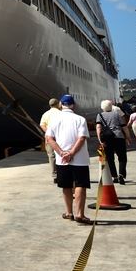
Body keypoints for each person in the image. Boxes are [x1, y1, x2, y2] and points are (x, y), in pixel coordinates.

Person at [45, 94, 92, 224]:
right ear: (73, 105)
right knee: (80, 185)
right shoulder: (80, 119)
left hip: (61, 160)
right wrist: (71, 153)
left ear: (61, 104)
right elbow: (82, 138)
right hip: (80, 159)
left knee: (66, 186)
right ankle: (80, 214)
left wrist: (61, 153)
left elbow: (49, 139)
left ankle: (69, 213)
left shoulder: (54, 120)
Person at [96, 99, 129, 184]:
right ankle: (121, 174)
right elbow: (124, 126)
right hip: (119, 137)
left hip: (107, 139)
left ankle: (114, 176)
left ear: (102, 107)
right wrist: (128, 137)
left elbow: (98, 128)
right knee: (122, 157)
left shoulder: (99, 115)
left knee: (110, 158)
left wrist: (100, 140)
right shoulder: (117, 114)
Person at [39, 98, 62, 182]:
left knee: (51, 156)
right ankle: (62, 173)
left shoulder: (46, 114)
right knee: (61, 154)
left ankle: (55, 175)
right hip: (60, 137)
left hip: (49, 138)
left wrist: (49, 132)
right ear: (57, 104)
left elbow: (42, 125)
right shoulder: (61, 113)